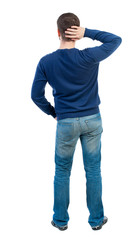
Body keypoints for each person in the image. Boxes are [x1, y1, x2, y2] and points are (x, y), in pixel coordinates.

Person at [31, 12, 122, 231]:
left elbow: (36, 95)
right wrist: (88, 32)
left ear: (58, 32)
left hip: (66, 123)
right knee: (93, 170)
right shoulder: (89, 56)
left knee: (62, 171)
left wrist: (53, 112)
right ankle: (97, 221)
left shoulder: (46, 62)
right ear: (77, 34)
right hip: (92, 120)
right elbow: (115, 40)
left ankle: (60, 221)